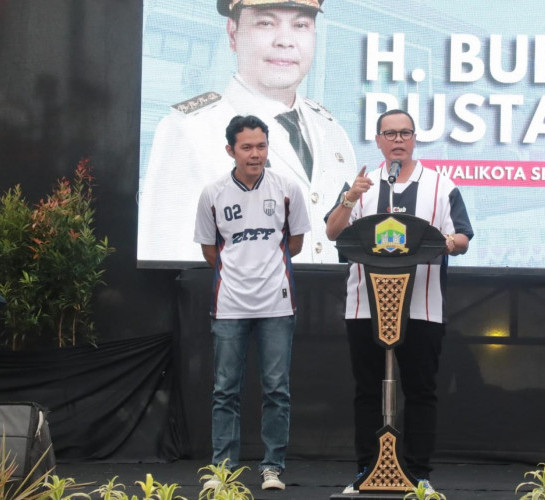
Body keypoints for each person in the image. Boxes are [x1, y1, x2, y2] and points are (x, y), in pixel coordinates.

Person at [138, 0, 357, 264]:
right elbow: (167, 259)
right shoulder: (190, 131)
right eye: (266, 23)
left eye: (300, 25)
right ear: (233, 34)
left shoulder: (332, 131)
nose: (285, 41)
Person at [325, 109, 474, 494]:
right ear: (377, 140)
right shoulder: (361, 185)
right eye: (389, 134)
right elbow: (333, 232)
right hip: (366, 306)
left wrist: (446, 242)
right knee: (367, 390)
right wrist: (349, 199)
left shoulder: (441, 186)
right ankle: (366, 470)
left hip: (422, 305)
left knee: (421, 391)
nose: (397, 140)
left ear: (414, 139)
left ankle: (418, 473)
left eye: (404, 133)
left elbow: (462, 237)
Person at [194, 115, 310, 491]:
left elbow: (294, 244)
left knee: (277, 389)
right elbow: (210, 251)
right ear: (231, 150)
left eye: (261, 146)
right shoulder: (212, 193)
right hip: (229, 304)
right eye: (247, 147)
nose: (255, 154)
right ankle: (222, 470)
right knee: (225, 389)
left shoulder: (287, 187)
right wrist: (239, 272)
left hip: (277, 303)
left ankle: (272, 467)